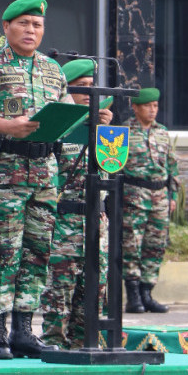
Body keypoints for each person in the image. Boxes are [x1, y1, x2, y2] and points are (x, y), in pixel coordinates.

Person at [0, 0, 74, 359]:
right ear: (7, 26)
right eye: (24, 23)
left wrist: (90, 122)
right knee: (2, 253)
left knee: (37, 252)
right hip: (6, 175)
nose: (31, 31)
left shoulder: (54, 70)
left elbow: (68, 116)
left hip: (45, 174)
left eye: (37, 25)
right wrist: (11, 126)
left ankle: (24, 331)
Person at [39, 58, 113, 349]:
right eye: (81, 87)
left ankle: (86, 346)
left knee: (94, 291)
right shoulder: (57, 128)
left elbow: (112, 169)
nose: (88, 93)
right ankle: (54, 346)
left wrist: (103, 132)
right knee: (59, 292)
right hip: (64, 223)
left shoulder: (103, 127)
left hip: (97, 222)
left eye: (91, 87)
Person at [122, 88, 178, 314]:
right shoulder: (123, 131)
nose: (153, 110)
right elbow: (114, 165)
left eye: (155, 106)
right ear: (135, 107)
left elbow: (172, 166)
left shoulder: (162, 132)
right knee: (132, 246)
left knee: (155, 246)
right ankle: (133, 296)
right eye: (148, 106)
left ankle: (147, 293)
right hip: (135, 195)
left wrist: (172, 195)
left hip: (160, 197)